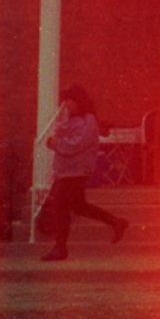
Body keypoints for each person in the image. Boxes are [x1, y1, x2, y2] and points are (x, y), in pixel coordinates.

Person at [40, 85, 128, 261]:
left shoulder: (89, 120)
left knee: (60, 207)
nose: (66, 104)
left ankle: (60, 248)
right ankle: (116, 222)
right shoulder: (68, 119)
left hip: (77, 170)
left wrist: (55, 143)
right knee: (79, 206)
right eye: (65, 101)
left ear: (79, 101)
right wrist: (56, 141)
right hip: (65, 170)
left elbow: (76, 145)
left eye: (70, 100)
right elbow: (61, 137)